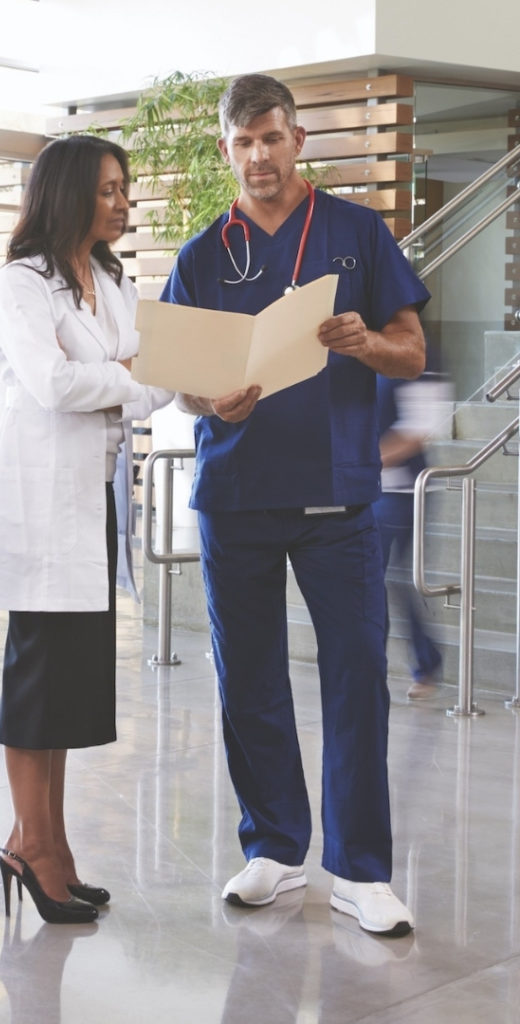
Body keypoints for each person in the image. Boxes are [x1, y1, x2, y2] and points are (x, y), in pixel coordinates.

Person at [160, 74, 429, 937]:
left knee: (357, 681)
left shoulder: (355, 234)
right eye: (242, 143)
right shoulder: (205, 252)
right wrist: (211, 400)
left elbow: (412, 352)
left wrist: (368, 342)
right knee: (250, 682)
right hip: (235, 494)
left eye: (271, 138)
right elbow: (179, 380)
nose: (259, 156)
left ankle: (360, 871)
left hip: (336, 496)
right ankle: (274, 848)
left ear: (298, 139)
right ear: (226, 150)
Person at [0, 135, 173, 924]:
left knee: (67, 686)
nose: (123, 202)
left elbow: (153, 384)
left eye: (125, 189)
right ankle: (33, 846)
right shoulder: (20, 283)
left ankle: (47, 845)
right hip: (40, 502)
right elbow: (53, 384)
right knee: (36, 678)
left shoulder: (113, 282)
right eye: (107, 190)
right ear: (66, 194)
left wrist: (122, 385)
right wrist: (124, 382)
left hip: (93, 504)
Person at [376, 371, 450, 699]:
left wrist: (365, 460)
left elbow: (418, 431)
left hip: (405, 493)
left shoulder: (420, 360)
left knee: (390, 580)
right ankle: (422, 662)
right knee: (379, 581)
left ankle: (422, 663)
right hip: (374, 490)